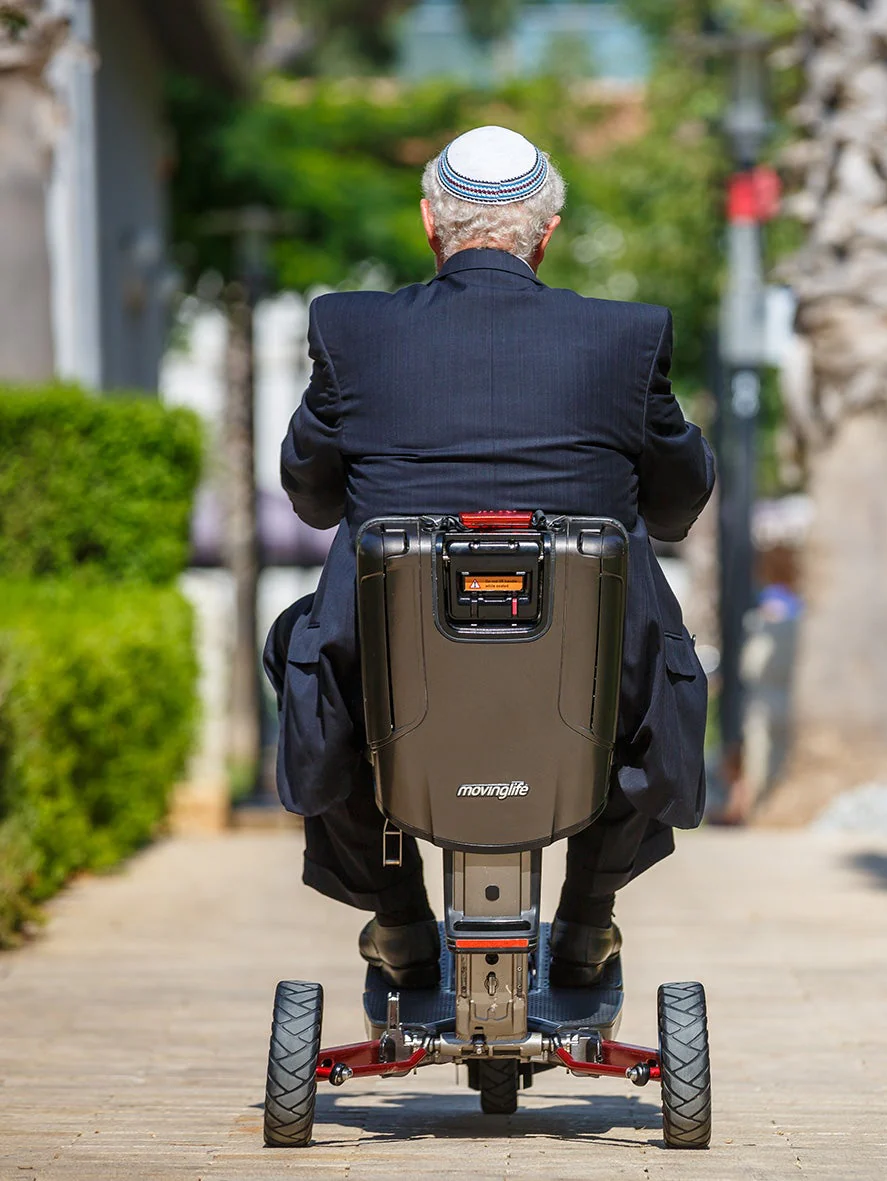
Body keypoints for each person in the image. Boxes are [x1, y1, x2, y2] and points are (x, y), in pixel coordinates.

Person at [263, 125, 714, 990]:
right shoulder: (627, 338)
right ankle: (586, 919)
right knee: (643, 659)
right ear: (547, 235)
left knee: (303, 645)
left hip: (396, 675)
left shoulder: (350, 330)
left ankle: (399, 920)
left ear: (431, 224)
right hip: (583, 678)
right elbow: (676, 501)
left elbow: (313, 495)